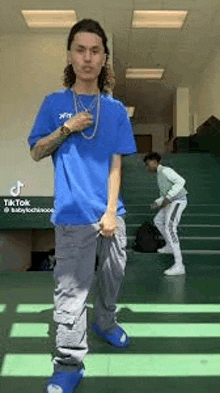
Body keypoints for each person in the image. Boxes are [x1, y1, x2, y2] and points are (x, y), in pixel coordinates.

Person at [28, 19, 136, 393]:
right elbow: (36, 152)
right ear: (70, 56)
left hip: (110, 215)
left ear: (104, 58)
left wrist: (110, 212)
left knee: (112, 280)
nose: (87, 58)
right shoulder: (54, 104)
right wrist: (66, 128)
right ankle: (69, 363)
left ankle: (105, 321)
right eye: (80, 49)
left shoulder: (117, 110)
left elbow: (115, 164)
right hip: (73, 217)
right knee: (71, 295)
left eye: (95, 50)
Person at [143, 152, 188, 276]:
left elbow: (181, 181)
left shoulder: (166, 170)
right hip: (170, 201)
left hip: (177, 201)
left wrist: (168, 198)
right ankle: (169, 245)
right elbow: (164, 194)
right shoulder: (159, 175)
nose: (147, 167)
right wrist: (157, 203)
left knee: (170, 228)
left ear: (154, 162)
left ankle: (179, 265)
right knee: (158, 220)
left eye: (148, 164)